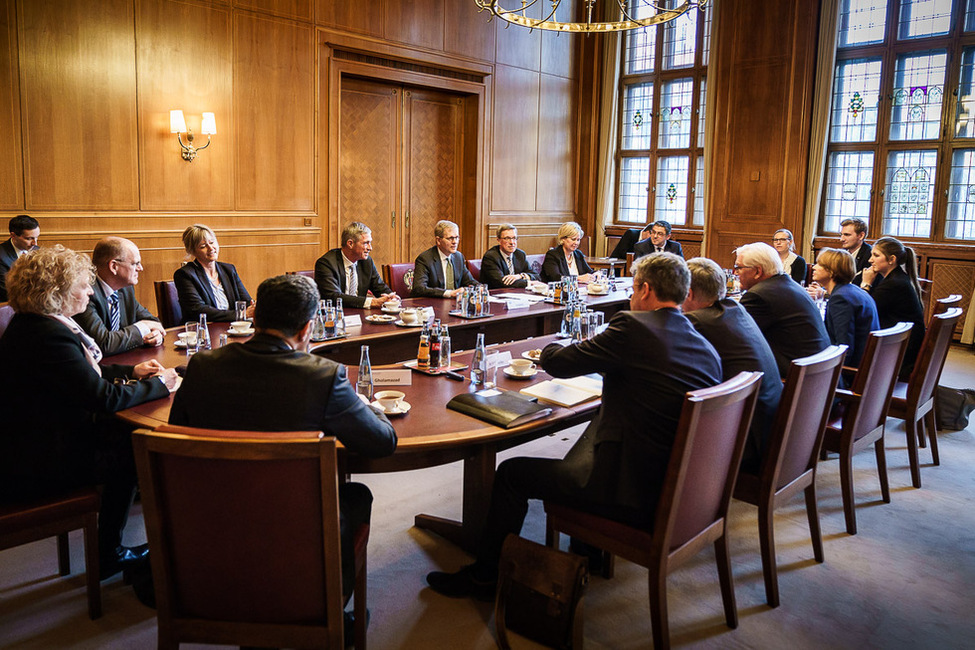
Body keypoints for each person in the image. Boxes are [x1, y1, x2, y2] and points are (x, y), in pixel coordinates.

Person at [426, 253, 722, 600]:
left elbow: (560, 364)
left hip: (632, 491)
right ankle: (590, 552)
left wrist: (553, 343)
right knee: (597, 420)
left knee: (510, 474)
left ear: (644, 289)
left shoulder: (633, 327)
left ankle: (484, 577)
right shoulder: (702, 340)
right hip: (684, 487)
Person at [169, 274, 396, 625]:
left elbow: (177, 438)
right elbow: (382, 443)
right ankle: (328, 610)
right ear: (307, 329)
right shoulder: (323, 377)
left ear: (255, 319)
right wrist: (366, 405)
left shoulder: (202, 366)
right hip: (295, 531)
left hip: (209, 523)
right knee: (355, 495)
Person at [0, 246, 178, 581]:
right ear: (57, 293)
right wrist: (162, 386)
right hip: (37, 461)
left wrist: (133, 372)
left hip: (33, 439)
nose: (88, 291)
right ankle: (109, 553)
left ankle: (112, 547)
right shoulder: (49, 335)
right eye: (83, 285)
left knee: (125, 438)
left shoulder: (35, 325)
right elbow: (102, 398)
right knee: (131, 449)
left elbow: (77, 376)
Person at [682, 256, 782, 471]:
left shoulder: (697, 321)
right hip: (770, 429)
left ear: (687, 293)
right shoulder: (735, 310)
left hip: (746, 440)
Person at [735, 242, 830, 378]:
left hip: (795, 380)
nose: (735, 273)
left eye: (739, 268)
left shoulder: (758, 296)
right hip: (817, 375)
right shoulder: (789, 284)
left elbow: (739, 339)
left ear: (757, 271)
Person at [73, 237, 166, 356]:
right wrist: (143, 327)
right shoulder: (86, 293)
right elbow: (103, 343)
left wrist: (156, 334)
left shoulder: (125, 289)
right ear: (114, 266)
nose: (140, 268)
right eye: (135, 264)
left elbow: (152, 321)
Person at [860, 236, 926, 378]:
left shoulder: (894, 284)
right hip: (900, 342)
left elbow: (865, 312)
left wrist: (865, 283)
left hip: (901, 351)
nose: (870, 260)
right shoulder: (896, 278)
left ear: (891, 259)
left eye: (876, 255)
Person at [811, 248, 878, 369]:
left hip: (850, 373)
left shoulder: (840, 299)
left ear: (831, 271)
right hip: (867, 367)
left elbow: (844, 349)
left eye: (819, 264)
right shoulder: (855, 291)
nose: (814, 267)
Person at [173, 224, 254, 322]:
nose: (211, 248)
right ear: (192, 251)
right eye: (203, 246)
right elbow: (198, 310)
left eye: (212, 242)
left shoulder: (229, 269)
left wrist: (254, 308)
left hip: (233, 327)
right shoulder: (185, 274)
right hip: (204, 330)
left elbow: (246, 302)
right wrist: (241, 314)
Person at [314, 221, 398, 308]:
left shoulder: (366, 261)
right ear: (350, 244)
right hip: (336, 315)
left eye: (370, 243)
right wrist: (372, 302)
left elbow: (379, 286)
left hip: (360, 314)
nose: (370, 248)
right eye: (366, 243)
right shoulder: (326, 263)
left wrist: (391, 297)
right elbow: (333, 296)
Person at [411, 219, 477, 298]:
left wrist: (480, 287)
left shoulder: (458, 257)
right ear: (438, 240)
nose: (455, 242)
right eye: (450, 238)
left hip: (456, 304)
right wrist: (449, 293)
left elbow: (469, 281)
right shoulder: (425, 259)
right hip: (434, 304)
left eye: (457, 237)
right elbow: (419, 289)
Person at [479, 224, 540, 289]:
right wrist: (529, 283)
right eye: (507, 238)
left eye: (514, 238)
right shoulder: (491, 257)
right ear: (499, 240)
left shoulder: (520, 254)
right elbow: (501, 282)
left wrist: (520, 276)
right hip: (497, 295)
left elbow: (536, 276)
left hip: (518, 294)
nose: (512, 242)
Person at [0, 214, 40, 302]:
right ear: (13, 235)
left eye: (37, 238)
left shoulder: (38, 251)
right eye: (29, 238)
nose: (35, 243)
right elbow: (7, 292)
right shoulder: (1, 256)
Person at [839, 217, 874, 286]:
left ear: (861, 236)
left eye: (847, 235)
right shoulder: (841, 253)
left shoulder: (871, 255)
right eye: (841, 235)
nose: (841, 239)